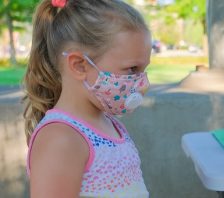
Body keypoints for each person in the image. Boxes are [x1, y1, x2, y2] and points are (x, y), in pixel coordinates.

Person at [23, 0, 151, 197]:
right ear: (80, 65)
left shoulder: (109, 124)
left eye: (144, 70)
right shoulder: (61, 139)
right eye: (132, 69)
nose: (143, 83)